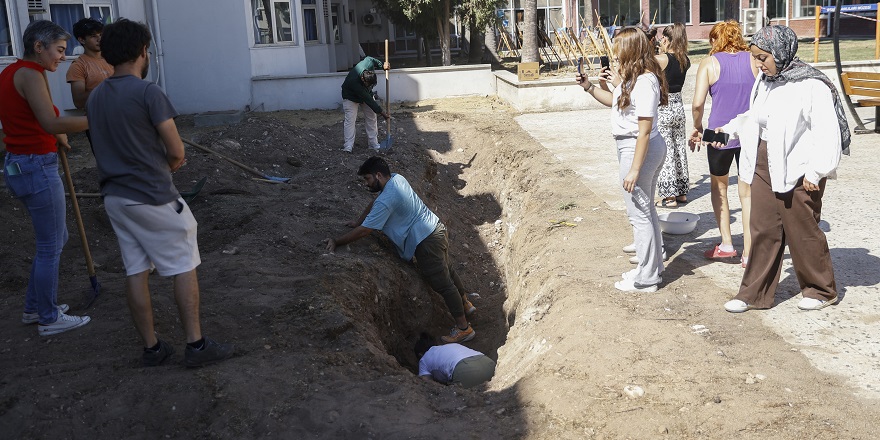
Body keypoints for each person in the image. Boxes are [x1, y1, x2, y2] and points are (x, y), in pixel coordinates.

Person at [87, 19, 233, 366]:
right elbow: (176, 151)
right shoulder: (148, 92)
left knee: (136, 270)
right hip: (152, 195)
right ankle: (196, 345)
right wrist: (165, 168)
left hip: (115, 198)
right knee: (184, 264)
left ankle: (152, 348)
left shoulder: (96, 97)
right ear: (142, 51)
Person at [707, 25, 848, 313]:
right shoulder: (766, 81)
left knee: (802, 229)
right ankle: (753, 294)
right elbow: (752, 118)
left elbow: (826, 131)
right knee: (762, 229)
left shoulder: (811, 84)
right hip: (763, 163)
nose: (758, 64)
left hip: (799, 168)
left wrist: (816, 172)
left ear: (781, 53)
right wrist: (722, 132)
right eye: (755, 58)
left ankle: (821, 290)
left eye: (762, 58)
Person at [0, 20, 91, 336]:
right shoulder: (31, 74)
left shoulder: (11, 73)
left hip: (18, 164)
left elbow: (38, 116)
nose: (62, 58)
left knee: (55, 239)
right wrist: (95, 119)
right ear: (39, 46)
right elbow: (51, 122)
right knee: (51, 244)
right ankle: (48, 318)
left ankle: (34, 308)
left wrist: (59, 135)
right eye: (60, 50)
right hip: (35, 166)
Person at [325, 157, 477, 342]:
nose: (366, 184)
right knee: (448, 271)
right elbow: (375, 204)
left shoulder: (387, 199)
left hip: (426, 241)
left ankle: (464, 328)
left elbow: (366, 230)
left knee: (443, 285)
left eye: (367, 179)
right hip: (435, 228)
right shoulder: (397, 179)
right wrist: (359, 220)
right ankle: (466, 304)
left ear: (378, 175)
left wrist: (338, 240)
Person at [576, 27, 667, 292]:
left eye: (618, 51)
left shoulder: (645, 81)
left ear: (631, 50)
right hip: (632, 147)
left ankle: (647, 279)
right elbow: (616, 102)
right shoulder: (632, 78)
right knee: (645, 211)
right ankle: (650, 269)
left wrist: (634, 169)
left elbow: (645, 131)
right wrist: (590, 87)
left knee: (638, 214)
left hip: (639, 149)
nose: (614, 56)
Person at [689, 21, 758, 267]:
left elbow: (697, 104)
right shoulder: (753, 59)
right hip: (750, 131)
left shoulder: (708, 63)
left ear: (713, 40)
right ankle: (749, 252)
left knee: (719, 188)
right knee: (747, 192)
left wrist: (697, 127)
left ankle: (727, 244)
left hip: (717, 132)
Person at [654, 23, 691, 208]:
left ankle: (669, 196)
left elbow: (644, 64)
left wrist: (660, 49)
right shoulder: (685, 59)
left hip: (664, 107)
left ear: (667, 39)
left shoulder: (662, 59)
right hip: (679, 107)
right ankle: (682, 192)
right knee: (679, 149)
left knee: (666, 150)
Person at [341, 56, 390, 153]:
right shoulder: (354, 82)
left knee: (371, 117)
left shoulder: (368, 64)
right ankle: (348, 146)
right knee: (350, 120)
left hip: (365, 93)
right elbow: (369, 100)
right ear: (363, 80)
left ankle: (373, 144)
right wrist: (382, 112)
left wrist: (382, 65)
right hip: (350, 96)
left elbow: (370, 58)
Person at [414, 333, 495, 388]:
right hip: (489, 364)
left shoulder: (423, 359)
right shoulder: (450, 345)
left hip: (468, 372)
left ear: (420, 354)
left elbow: (425, 383)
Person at [66, 18, 113, 111]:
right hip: (97, 118)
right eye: (93, 36)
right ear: (82, 40)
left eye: (100, 35)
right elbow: (78, 102)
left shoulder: (113, 59)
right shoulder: (78, 65)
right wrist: (107, 88)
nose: (99, 39)